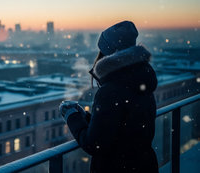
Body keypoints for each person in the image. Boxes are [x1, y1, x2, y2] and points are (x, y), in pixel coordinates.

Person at [59, 21, 158, 173]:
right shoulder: (142, 80)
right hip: (144, 165)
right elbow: (121, 126)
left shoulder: (110, 91)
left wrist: (71, 117)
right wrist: (86, 117)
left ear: (106, 54)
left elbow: (95, 144)